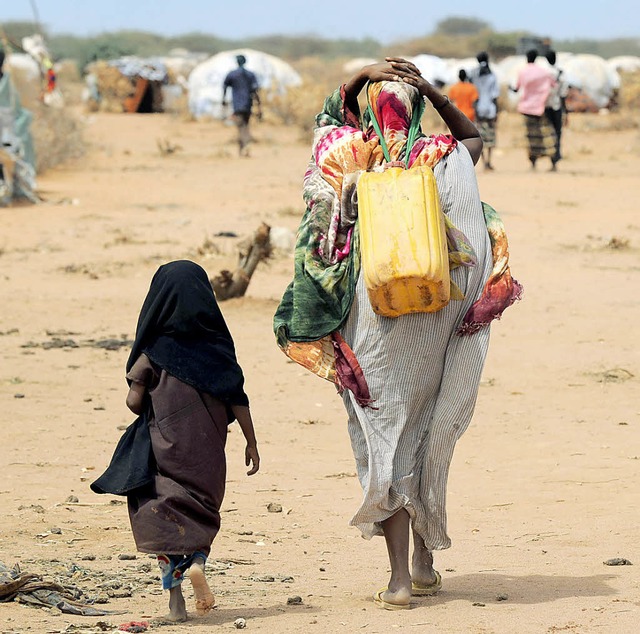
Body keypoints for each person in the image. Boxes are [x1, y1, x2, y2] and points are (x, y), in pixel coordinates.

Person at [274, 58, 521, 610]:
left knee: (386, 435)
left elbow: (324, 122)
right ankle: (425, 560)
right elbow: (473, 137)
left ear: (368, 108)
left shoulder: (347, 152)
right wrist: (430, 90)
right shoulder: (436, 154)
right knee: (429, 437)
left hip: (374, 323)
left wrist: (361, 76)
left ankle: (399, 582)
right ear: (412, 112)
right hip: (435, 323)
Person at [92, 260, 260, 622]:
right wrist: (252, 443)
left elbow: (134, 403)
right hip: (209, 455)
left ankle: (176, 602)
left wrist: (147, 390)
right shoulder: (218, 348)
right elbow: (238, 400)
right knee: (201, 510)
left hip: (166, 451)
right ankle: (198, 561)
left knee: (164, 513)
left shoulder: (154, 352)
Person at [512, 49, 558, 170]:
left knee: (531, 137)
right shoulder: (544, 72)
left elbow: (517, 88)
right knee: (547, 136)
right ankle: (553, 163)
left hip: (526, 109)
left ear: (527, 58)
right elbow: (554, 86)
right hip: (541, 108)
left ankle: (533, 163)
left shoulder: (523, 72)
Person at [222, 54, 262, 157]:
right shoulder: (250, 75)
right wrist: (259, 104)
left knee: (241, 127)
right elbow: (255, 90)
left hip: (237, 104)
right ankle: (245, 145)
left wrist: (223, 99)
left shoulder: (232, 74)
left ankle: (244, 146)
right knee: (245, 124)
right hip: (248, 104)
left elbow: (225, 86)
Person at [470, 52, 500, 171]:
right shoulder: (492, 75)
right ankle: (488, 162)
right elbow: (495, 96)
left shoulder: (473, 75)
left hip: (478, 110)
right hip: (490, 109)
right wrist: (497, 111)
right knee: (491, 136)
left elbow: (473, 95)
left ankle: (482, 162)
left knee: (480, 136)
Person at [544, 50, 568, 165]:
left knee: (546, 132)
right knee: (557, 131)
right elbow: (563, 94)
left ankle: (548, 154)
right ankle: (556, 156)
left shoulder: (543, 73)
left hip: (544, 106)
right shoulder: (560, 73)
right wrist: (566, 111)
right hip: (556, 106)